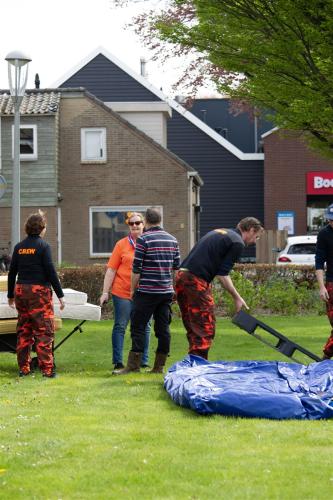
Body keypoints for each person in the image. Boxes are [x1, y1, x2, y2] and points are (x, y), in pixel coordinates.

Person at [175, 217, 264, 360]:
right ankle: (198, 366)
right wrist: (237, 297)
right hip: (195, 280)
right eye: (256, 237)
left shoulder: (220, 232)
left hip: (182, 277)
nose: (254, 241)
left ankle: (192, 364)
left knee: (193, 325)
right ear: (251, 230)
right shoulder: (237, 242)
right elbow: (223, 274)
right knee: (205, 326)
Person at [114, 207, 180, 375]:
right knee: (163, 329)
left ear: (147, 222)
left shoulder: (144, 240)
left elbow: (136, 269)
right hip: (165, 292)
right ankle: (159, 367)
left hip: (146, 292)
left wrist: (131, 290)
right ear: (160, 220)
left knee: (138, 327)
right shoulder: (173, 240)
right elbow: (176, 270)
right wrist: (174, 289)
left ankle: (133, 366)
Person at [7, 211, 65, 378]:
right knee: (44, 331)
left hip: (21, 291)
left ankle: (24, 368)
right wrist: (60, 295)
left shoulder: (19, 247)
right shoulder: (43, 246)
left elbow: (12, 273)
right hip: (38, 293)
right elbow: (51, 272)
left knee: (24, 330)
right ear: (42, 228)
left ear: (27, 228)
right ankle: (47, 370)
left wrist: (10, 294)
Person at [99, 212, 151, 370]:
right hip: (122, 292)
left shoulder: (149, 243)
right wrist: (105, 292)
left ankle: (143, 360)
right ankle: (118, 362)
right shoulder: (121, 244)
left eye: (138, 223)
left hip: (143, 293)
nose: (134, 226)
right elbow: (111, 270)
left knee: (145, 327)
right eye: (131, 223)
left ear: (144, 224)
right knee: (120, 326)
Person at [315, 203, 333, 359]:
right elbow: (319, 262)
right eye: (330, 219)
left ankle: (326, 357)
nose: (331, 222)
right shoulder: (324, 234)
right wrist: (322, 287)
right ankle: (326, 358)